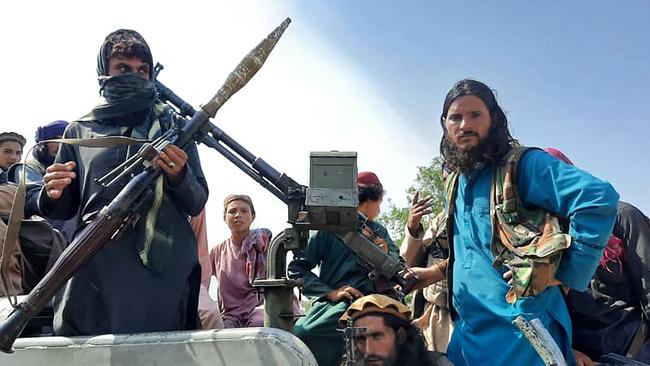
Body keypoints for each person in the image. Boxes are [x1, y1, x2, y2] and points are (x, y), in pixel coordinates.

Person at [34, 29, 208, 335]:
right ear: (104, 74)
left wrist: (179, 175)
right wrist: (52, 191)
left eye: (143, 70)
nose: (136, 76)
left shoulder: (175, 127)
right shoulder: (79, 130)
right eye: (123, 69)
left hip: (162, 268)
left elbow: (196, 200)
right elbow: (63, 207)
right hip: (95, 260)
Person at [438, 79, 619, 365]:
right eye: (456, 117)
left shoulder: (522, 165)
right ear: (444, 124)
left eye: (475, 115)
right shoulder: (454, 183)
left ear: (493, 120)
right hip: (466, 338)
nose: (464, 125)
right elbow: (474, 254)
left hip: (522, 336)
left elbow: (598, 198)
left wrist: (565, 272)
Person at [543, 148, 650, 365]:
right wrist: (568, 349)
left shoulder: (621, 217)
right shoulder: (541, 240)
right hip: (585, 358)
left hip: (636, 350)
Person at [288, 171, 404, 366]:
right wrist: (331, 293)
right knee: (303, 334)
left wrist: (383, 251)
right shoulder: (329, 229)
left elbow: (398, 267)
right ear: (371, 200)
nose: (379, 209)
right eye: (379, 202)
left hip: (377, 301)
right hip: (339, 304)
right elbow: (297, 269)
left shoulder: (379, 232)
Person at [338, 294, 453, 366]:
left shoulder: (437, 363)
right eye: (361, 338)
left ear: (401, 335)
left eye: (377, 336)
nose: (369, 350)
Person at [209, 194, 271, 328]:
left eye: (244, 211)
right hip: (231, 314)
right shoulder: (217, 251)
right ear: (224, 218)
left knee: (258, 325)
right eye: (232, 211)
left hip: (260, 307)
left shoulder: (264, 244)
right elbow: (202, 280)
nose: (238, 215)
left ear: (252, 216)